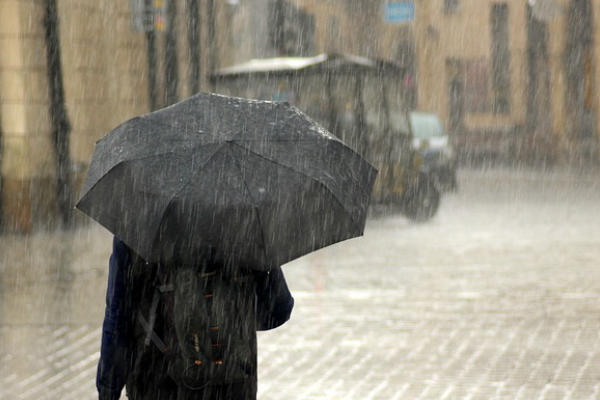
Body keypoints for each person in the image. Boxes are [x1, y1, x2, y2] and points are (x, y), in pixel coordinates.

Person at [97, 237, 294, 400]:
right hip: (232, 380)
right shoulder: (244, 219)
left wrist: (108, 389)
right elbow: (277, 310)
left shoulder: (139, 221)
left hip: (156, 379)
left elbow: (118, 318)